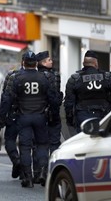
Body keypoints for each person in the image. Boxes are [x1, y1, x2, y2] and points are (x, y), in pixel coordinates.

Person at [0, 50, 59, 188]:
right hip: (40, 116)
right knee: (42, 145)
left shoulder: (16, 78)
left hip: (23, 116)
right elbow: (53, 99)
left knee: (25, 147)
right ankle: (43, 172)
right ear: (36, 63)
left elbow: (7, 99)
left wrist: (1, 119)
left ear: (23, 62)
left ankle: (28, 178)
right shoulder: (45, 77)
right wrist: (54, 116)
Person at [64, 50, 111, 134]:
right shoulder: (108, 77)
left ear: (83, 63)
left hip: (82, 117)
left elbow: (68, 103)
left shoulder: (74, 79)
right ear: (96, 64)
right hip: (103, 117)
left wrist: (70, 120)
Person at [33, 50, 63, 183]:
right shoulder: (54, 76)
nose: (52, 61)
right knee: (54, 144)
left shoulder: (34, 76)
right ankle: (53, 172)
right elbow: (55, 97)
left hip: (38, 114)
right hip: (52, 114)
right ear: (43, 62)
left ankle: (39, 172)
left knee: (39, 145)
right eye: (49, 60)